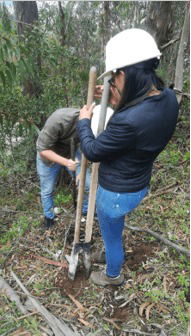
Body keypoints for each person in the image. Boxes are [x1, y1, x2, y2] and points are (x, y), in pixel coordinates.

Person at [77, 28, 179, 286]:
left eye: (114, 77)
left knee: (111, 235)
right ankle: (112, 254)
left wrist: (84, 122)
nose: (112, 83)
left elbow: (92, 151)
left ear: (124, 73)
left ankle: (113, 274)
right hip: (138, 183)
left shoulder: (127, 121)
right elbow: (138, 128)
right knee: (115, 226)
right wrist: (114, 100)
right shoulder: (168, 98)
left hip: (115, 193)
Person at [36, 107, 91, 228]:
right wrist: (66, 162)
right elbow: (43, 150)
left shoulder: (94, 124)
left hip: (72, 152)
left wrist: (81, 165)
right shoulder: (59, 120)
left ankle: (86, 212)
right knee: (47, 190)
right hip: (48, 156)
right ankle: (49, 217)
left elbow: (87, 146)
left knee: (86, 183)